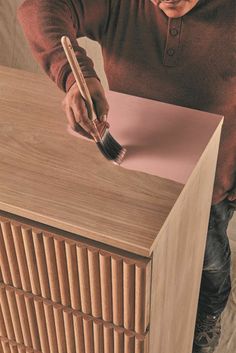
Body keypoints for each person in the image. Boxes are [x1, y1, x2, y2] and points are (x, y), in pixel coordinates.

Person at [17, 0, 236, 352]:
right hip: (136, 178)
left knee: (211, 271)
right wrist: (76, 77)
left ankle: (206, 325)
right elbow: (39, 8)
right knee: (138, 282)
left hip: (211, 188)